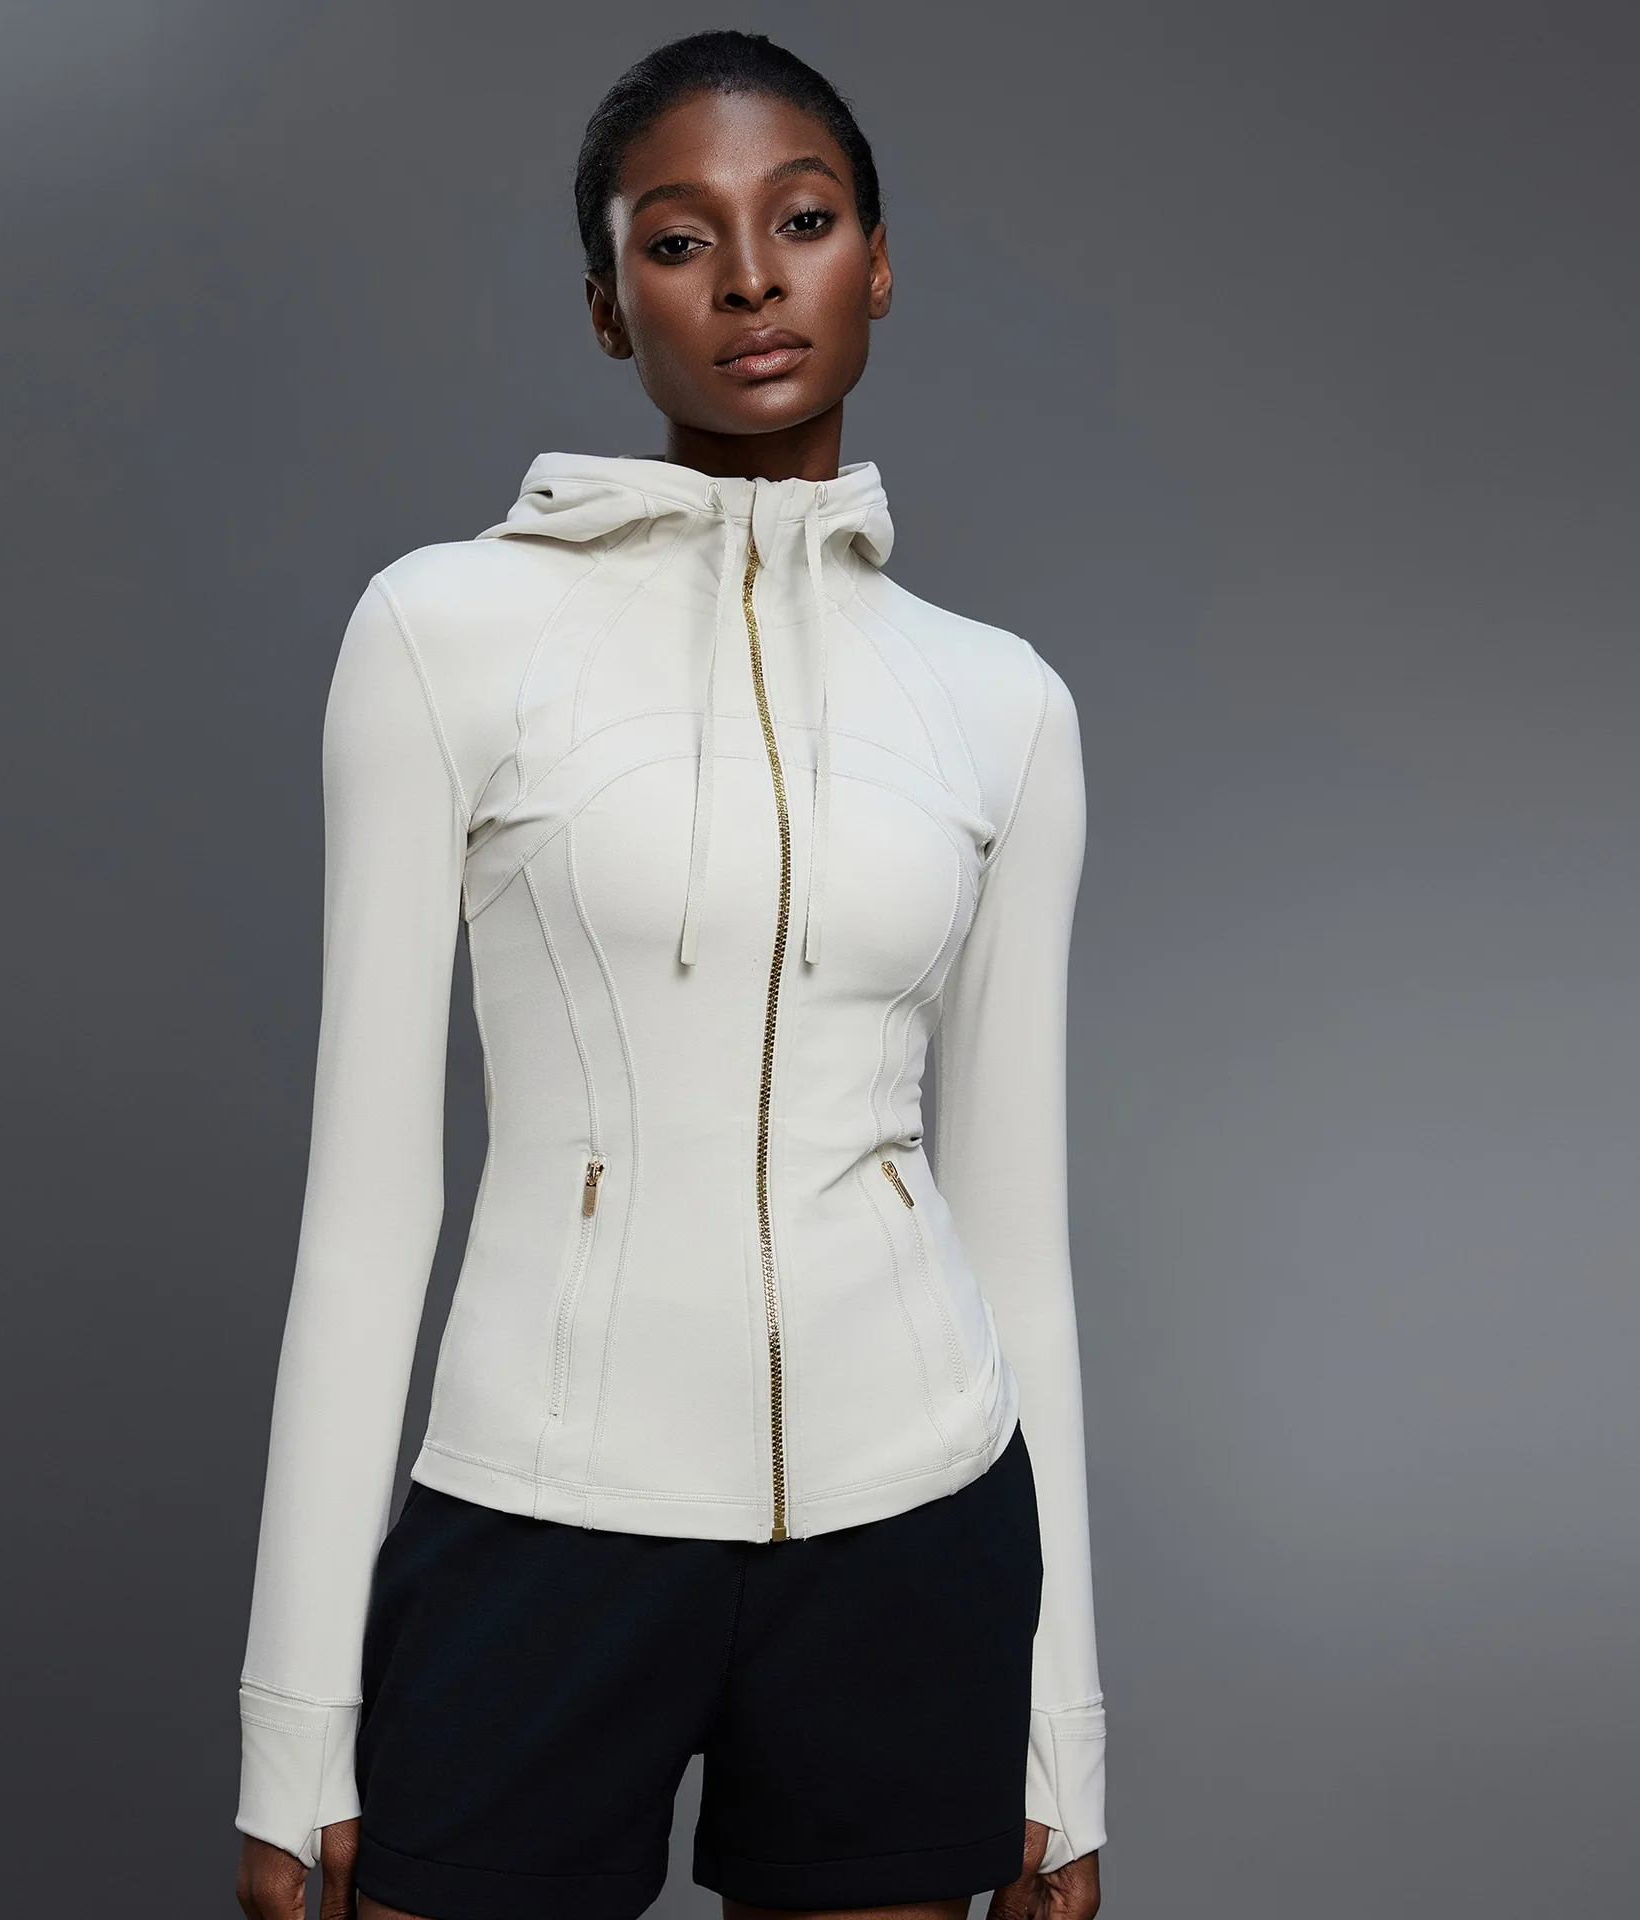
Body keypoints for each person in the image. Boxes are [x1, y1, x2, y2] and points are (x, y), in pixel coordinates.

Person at [235, 31, 1105, 1920]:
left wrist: (1065, 1728)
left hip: (917, 1531)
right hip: (547, 1517)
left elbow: (1016, 1240)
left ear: (879, 260)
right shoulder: (445, 632)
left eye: (803, 221)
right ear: (607, 306)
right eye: (678, 240)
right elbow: (367, 1216)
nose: (750, 282)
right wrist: (295, 1722)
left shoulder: (1002, 704)